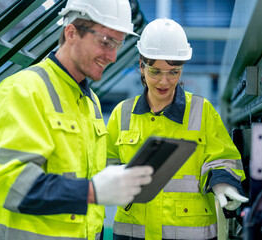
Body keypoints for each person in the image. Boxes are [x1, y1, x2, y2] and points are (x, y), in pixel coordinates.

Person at [0, 0, 154, 239]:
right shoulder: (24, 90)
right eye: (106, 42)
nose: (112, 56)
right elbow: (7, 186)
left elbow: (76, 172)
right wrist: (92, 191)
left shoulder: (90, 102)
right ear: (71, 32)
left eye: (118, 44)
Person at [106, 18, 249, 240]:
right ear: (142, 66)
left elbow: (224, 158)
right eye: (155, 71)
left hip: (191, 234)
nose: (164, 81)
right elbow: (105, 166)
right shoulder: (122, 114)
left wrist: (223, 183)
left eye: (174, 72)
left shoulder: (203, 111)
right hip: (133, 233)